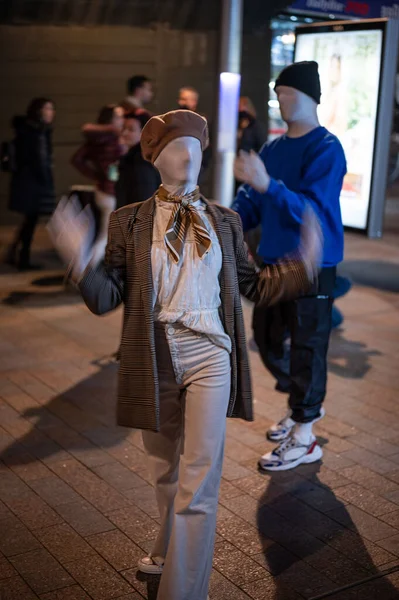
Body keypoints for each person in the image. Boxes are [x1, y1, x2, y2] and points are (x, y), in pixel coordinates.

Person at [48, 109, 322, 600]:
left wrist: (302, 266)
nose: (188, 155)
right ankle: (166, 545)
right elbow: (105, 297)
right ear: (155, 157)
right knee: (164, 471)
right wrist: (80, 260)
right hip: (154, 355)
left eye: (195, 146)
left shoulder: (225, 220)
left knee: (200, 478)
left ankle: (184, 591)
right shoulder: (128, 222)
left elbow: (251, 285)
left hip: (210, 354)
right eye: (177, 146)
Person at [233, 61, 347, 472]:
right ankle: (302, 407)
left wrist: (268, 185)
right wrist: (224, 221)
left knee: (307, 347)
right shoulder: (272, 149)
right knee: (265, 339)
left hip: (314, 263)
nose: (282, 101)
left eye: (290, 94)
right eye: (278, 94)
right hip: (274, 262)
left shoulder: (326, 148)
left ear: (311, 97)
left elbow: (312, 214)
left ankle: (305, 431)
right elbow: (250, 203)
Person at [71, 104, 126, 261]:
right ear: (111, 119)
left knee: (102, 233)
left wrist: (95, 175)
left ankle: (89, 268)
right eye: (119, 116)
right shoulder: (115, 139)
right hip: (112, 192)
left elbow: (76, 160)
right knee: (105, 236)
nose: (122, 120)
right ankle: (88, 270)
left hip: (101, 190)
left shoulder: (94, 141)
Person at [6, 98, 55, 270]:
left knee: (29, 220)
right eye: (47, 109)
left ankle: (14, 253)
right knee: (31, 220)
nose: (51, 112)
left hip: (24, 182)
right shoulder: (37, 133)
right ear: (38, 111)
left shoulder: (26, 130)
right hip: (33, 184)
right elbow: (40, 161)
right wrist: (48, 183)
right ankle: (23, 258)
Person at [116, 111, 160, 208]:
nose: (124, 133)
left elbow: (143, 197)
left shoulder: (140, 161)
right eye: (123, 128)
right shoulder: (132, 157)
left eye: (131, 130)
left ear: (144, 133)